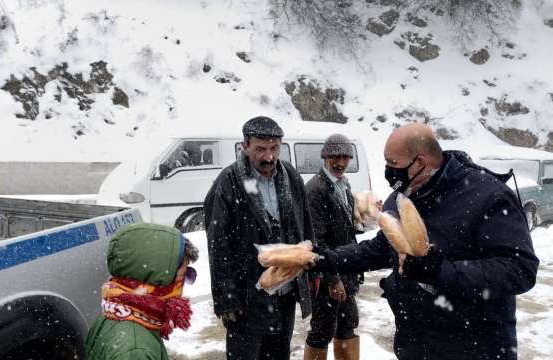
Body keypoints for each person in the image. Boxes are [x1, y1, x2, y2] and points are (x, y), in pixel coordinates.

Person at [308, 123, 539, 360]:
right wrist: (327, 258)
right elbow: (381, 247)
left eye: (393, 164)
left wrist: (441, 272)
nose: (388, 171)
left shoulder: (487, 195)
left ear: (420, 163)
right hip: (415, 343)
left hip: (472, 348)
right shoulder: (403, 195)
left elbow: (520, 269)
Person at [204, 116, 315, 360]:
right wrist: (226, 298)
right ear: (244, 147)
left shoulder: (291, 178)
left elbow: (305, 228)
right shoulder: (228, 182)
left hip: (284, 290)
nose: (269, 157)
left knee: (278, 355)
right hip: (246, 297)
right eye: (260, 149)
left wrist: (311, 274)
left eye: (275, 148)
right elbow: (218, 246)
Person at [85, 223, 200, 360]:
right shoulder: (134, 350)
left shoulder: (114, 310)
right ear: (161, 277)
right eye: (186, 273)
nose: (183, 284)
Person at [303, 134, 364, 360]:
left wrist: (366, 218)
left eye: (345, 157)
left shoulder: (343, 184)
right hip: (326, 275)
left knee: (348, 324)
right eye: (334, 156)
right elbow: (316, 240)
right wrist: (332, 278)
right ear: (324, 157)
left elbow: (345, 227)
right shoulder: (315, 189)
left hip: (345, 271)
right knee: (322, 329)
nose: (340, 162)